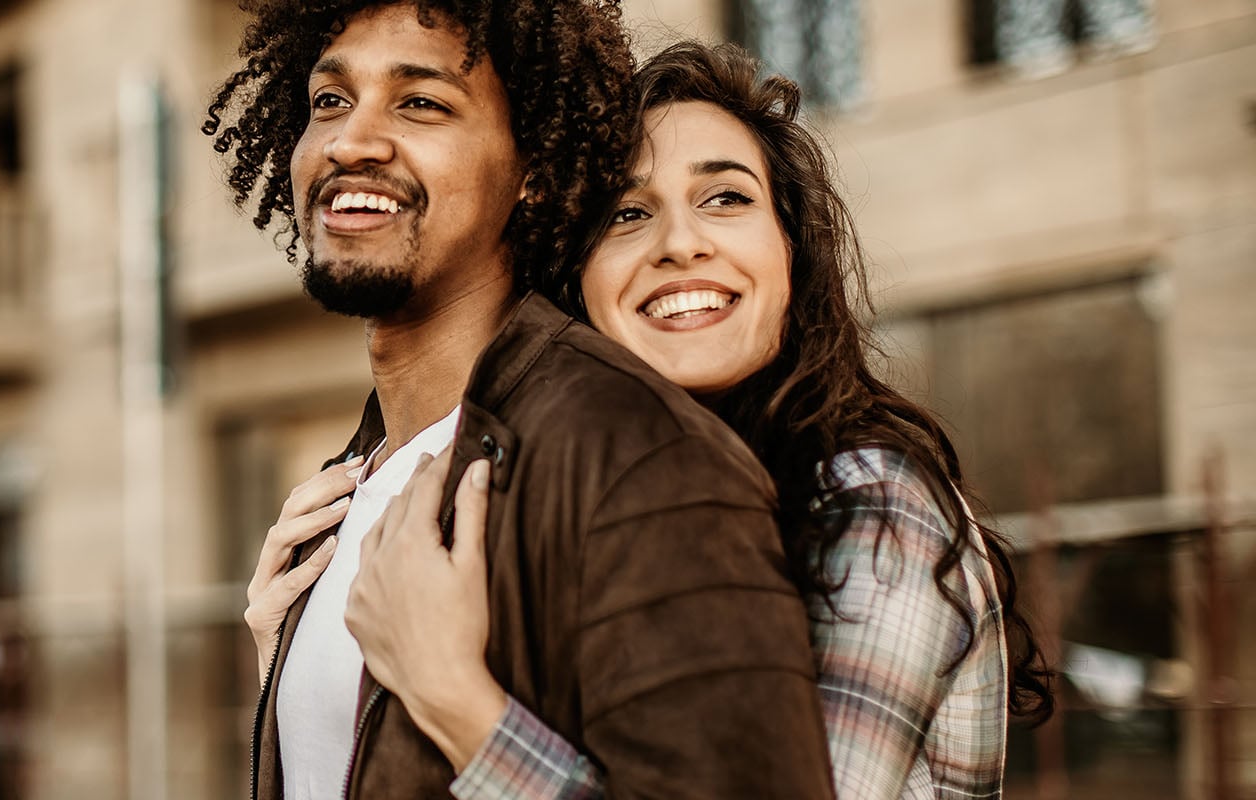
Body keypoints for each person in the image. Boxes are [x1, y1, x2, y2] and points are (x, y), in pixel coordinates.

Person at [307, 41, 1054, 799]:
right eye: (628, 213)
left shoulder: (868, 501)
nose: (680, 244)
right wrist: (304, 641)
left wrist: (456, 700)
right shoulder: (608, 501)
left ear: (790, 250)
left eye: (726, 199)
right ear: (577, 278)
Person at [207, 3, 836, 799]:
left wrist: (460, 705)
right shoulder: (355, 481)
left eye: (421, 103)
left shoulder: (638, 456)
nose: (349, 141)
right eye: (329, 100)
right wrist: (284, 666)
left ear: (532, 167)